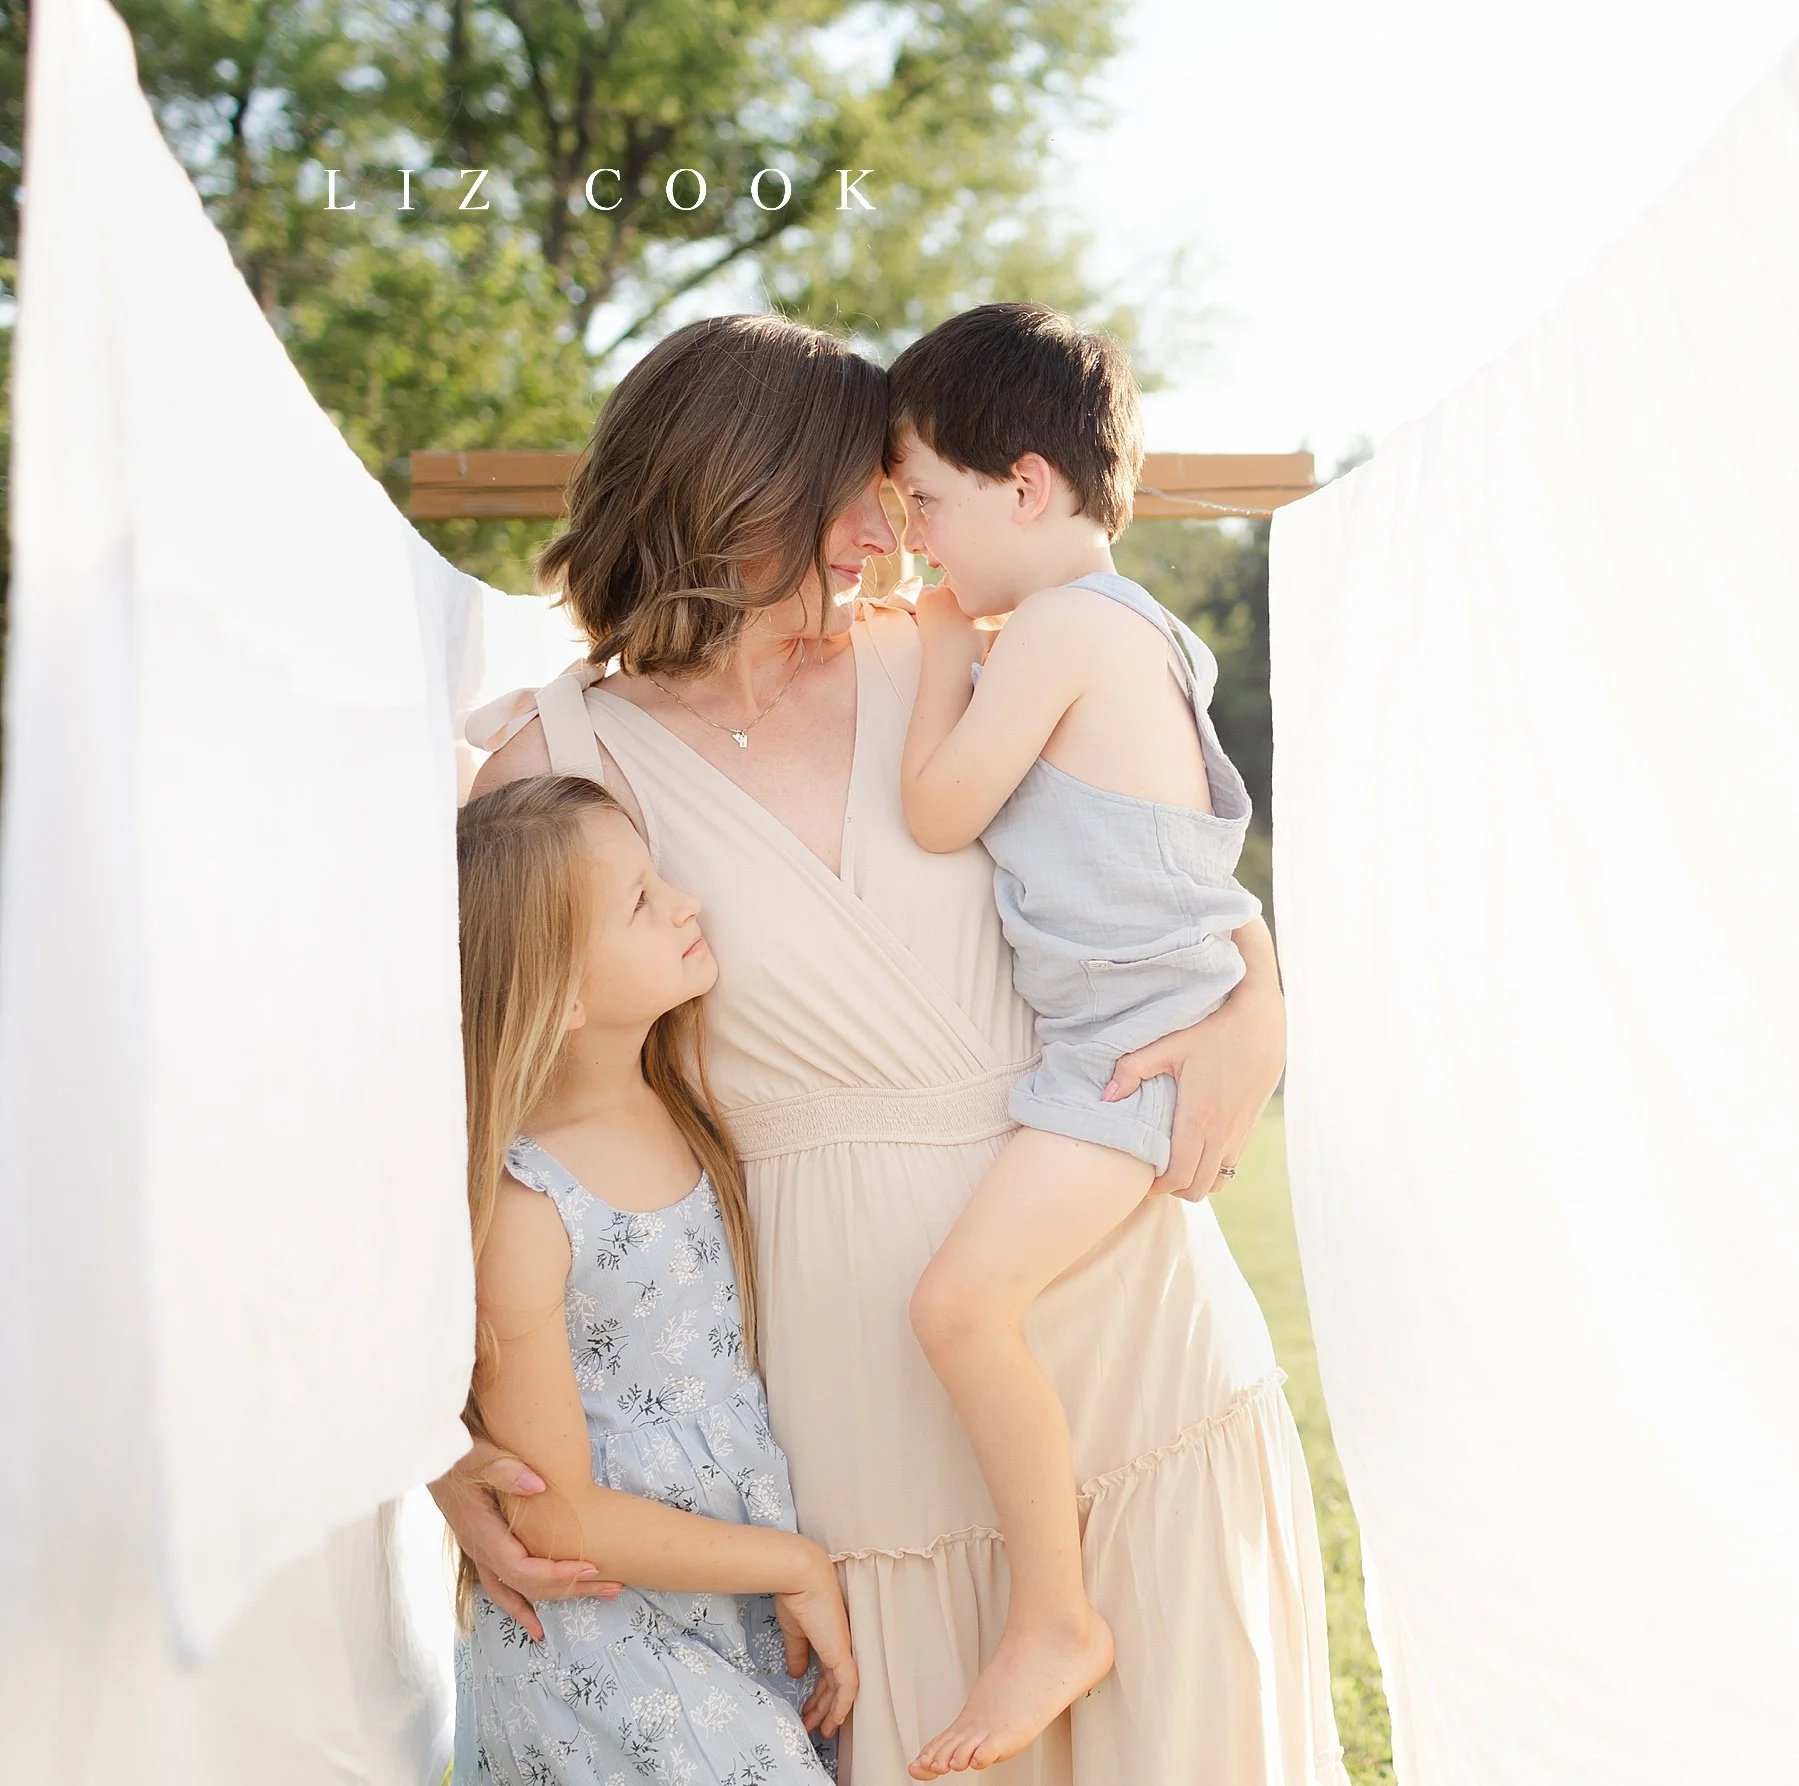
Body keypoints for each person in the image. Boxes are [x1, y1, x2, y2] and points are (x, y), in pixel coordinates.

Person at [436, 311, 1348, 1785]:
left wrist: (1260, 996)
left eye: (896, 490)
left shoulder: (957, 657)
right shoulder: (555, 766)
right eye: (854, 492)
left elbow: (1153, 851)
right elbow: (463, 1127)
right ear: (735, 492)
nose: (884, 531)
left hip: (1116, 1300)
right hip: (851, 1363)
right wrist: (451, 1444)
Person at [885, 304, 1263, 1777]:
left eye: (926, 505)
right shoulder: (1142, 627)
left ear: (1025, 487)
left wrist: (932, 646)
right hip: (1142, 1025)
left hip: (1131, 1051)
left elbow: (936, 808)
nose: (919, 545)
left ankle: (1055, 1612)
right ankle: (1053, 1607)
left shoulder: (1050, 630)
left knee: (958, 1307)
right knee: (976, 1307)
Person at [451, 774, 857, 1783]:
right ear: (563, 989)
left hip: (715, 1608)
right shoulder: (529, 1206)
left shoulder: (681, 1098)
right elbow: (556, 1514)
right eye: (641, 899)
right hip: (605, 1643)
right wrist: (795, 1563)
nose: (687, 901)